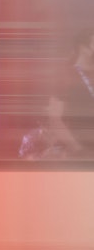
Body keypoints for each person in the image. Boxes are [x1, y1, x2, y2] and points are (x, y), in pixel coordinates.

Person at [44, 24, 94, 158]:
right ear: (83, 48)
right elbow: (55, 119)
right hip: (82, 154)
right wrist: (79, 150)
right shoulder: (65, 75)